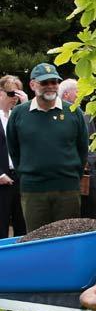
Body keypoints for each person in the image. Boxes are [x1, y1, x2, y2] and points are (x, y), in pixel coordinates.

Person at [6, 63, 88, 232]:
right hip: (33, 191)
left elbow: (82, 149)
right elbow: (14, 150)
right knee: (37, 241)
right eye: (45, 83)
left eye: (54, 82)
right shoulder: (19, 113)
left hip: (67, 190)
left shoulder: (73, 111)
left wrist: (71, 174)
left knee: (67, 240)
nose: (50, 86)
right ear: (32, 85)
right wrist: (28, 173)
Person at [59, 77, 96, 219]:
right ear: (66, 94)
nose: (82, 93)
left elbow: (92, 144)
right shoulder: (56, 116)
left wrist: (87, 163)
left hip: (88, 176)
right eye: (78, 91)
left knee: (91, 217)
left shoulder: (85, 115)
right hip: (64, 176)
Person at [0, 75, 27, 238]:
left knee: (22, 225)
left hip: (20, 177)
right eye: (12, 94)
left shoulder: (19, 116)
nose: (15, 99)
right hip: (1, 178)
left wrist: (26, 105)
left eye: (18, 94)